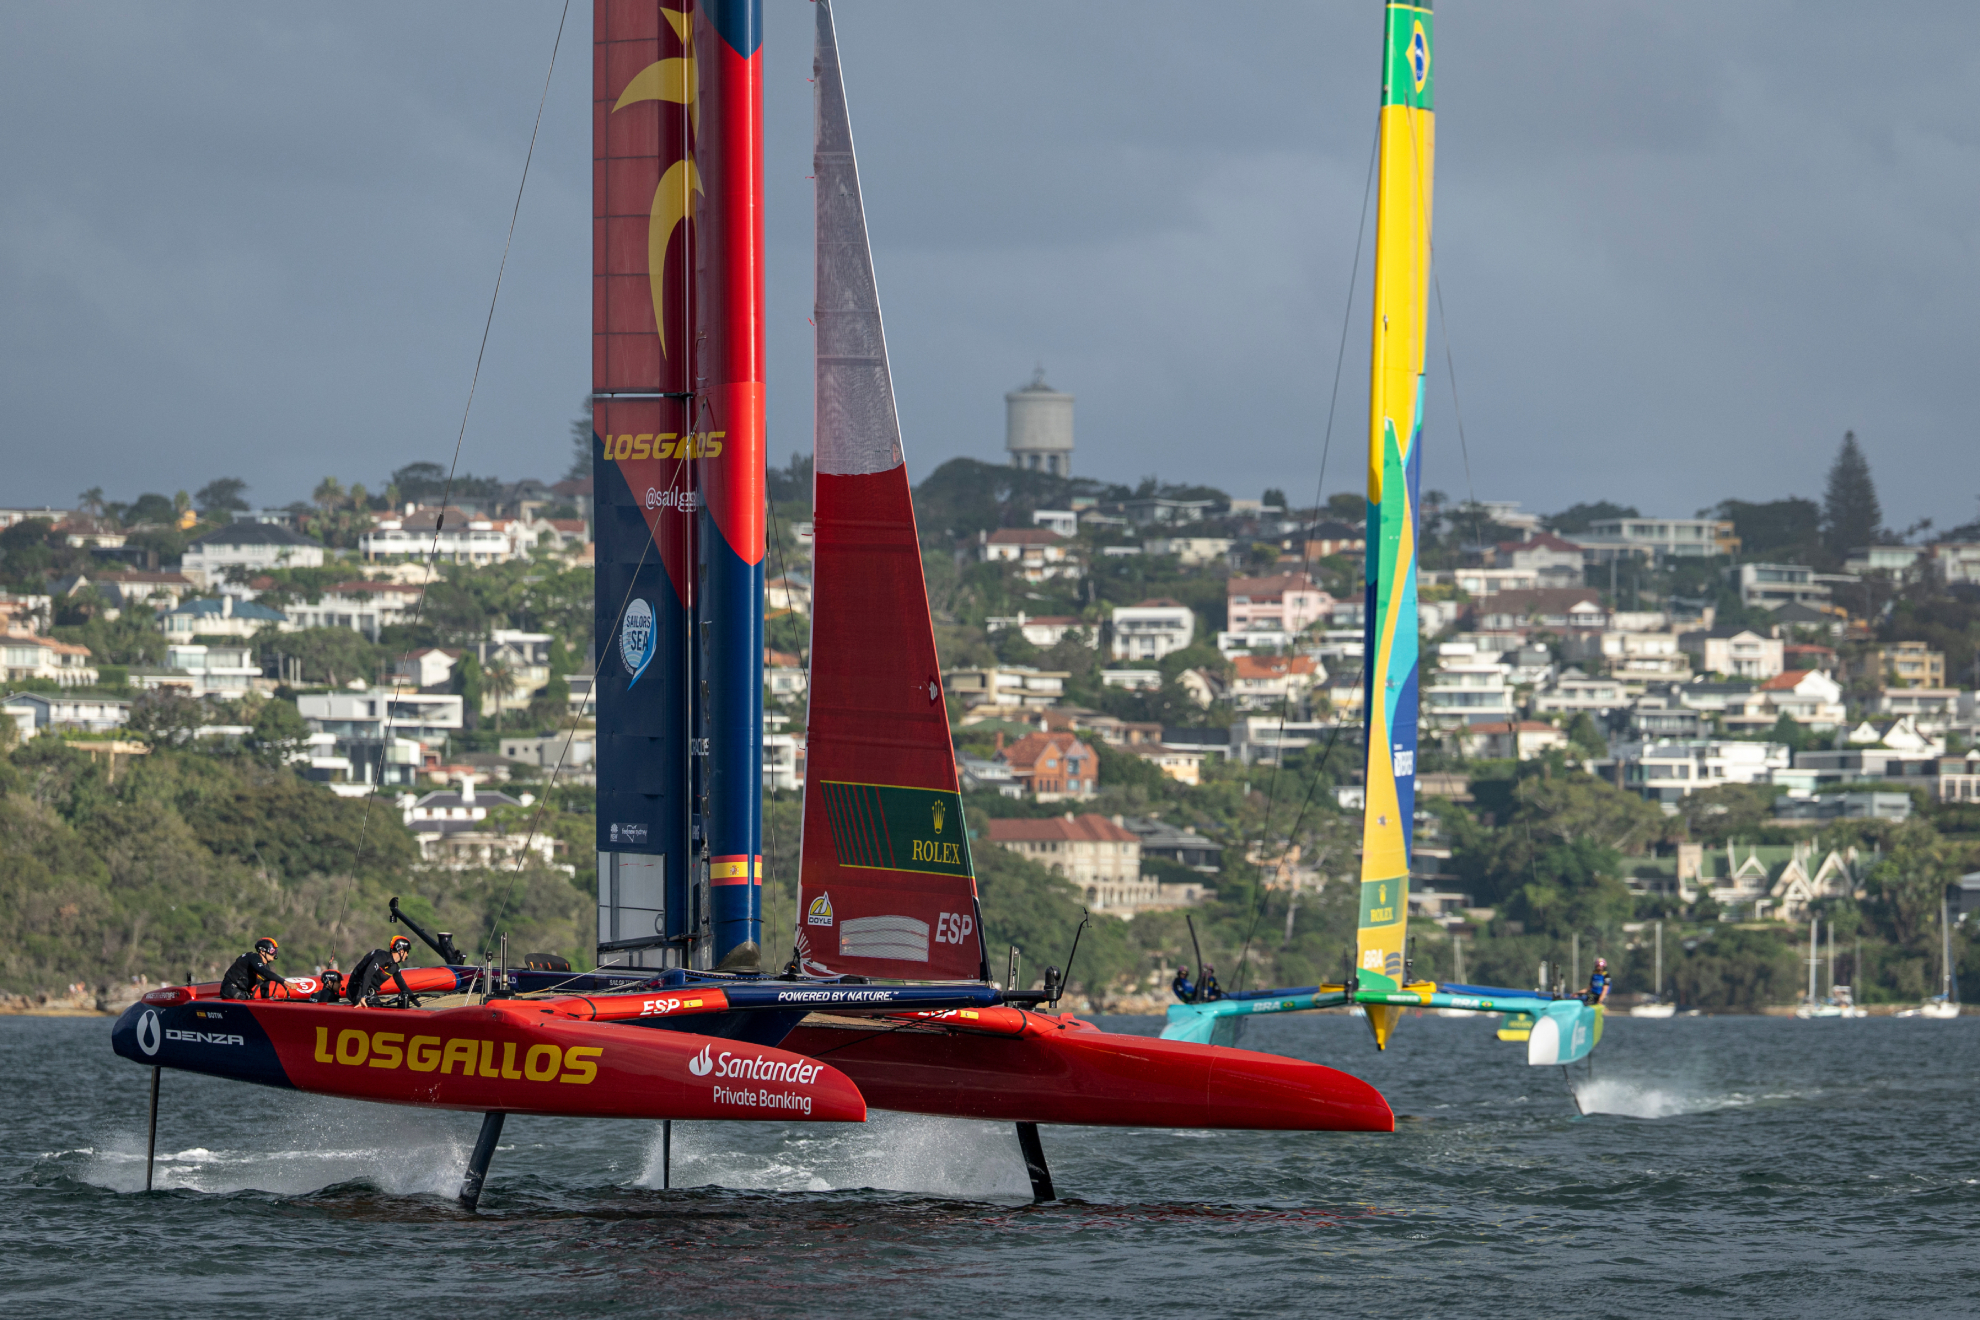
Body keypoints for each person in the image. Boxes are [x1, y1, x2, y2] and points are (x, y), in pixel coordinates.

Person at [346, 936, 415, 1003]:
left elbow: (403, 987)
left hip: (370, 992)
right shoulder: (381, 956)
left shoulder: (395, 967)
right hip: (355, 989)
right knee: (371, 1011)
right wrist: (363, 997)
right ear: (401, 951)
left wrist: (418, 1005)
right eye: (407, 952)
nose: (407, 955)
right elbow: (368, 974)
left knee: (380, 1010)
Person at [220, 938, 286, 1000]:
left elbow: (264, 989)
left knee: (250, 999)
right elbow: (264, 972)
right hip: (229, 988)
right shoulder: (253, 958)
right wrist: (283, 981)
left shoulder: (266, 967)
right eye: (272, 951)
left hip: (243, 991)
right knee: (245, 1000)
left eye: (276, 951)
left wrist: (267, 1003)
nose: (274, 954)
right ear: (262, 951)